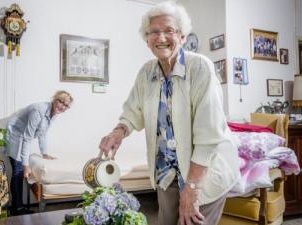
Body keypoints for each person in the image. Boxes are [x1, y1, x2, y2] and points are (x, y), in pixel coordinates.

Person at [99, 2, 240, 225]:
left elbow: (208, 135)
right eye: (154, 32)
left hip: (205, 170)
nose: (161, 37)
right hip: (167, 171)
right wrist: (118, 132)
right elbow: (133, 110)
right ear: (147, 40)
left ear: (182, 36)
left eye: (169, 30)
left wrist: (192, 189)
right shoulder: (146, 72)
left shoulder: (199, 67)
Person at [6, 90, 73, 216]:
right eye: (61, 102)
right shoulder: (38, 110)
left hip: (22, 135)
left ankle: (18, 207)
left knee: (19, 170)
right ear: (55, 99)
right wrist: (26, 166)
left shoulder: (54, 113)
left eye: (66, 105)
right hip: (15, 133)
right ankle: (17, 209)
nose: (62, 106)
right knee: (18, 170)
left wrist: (45, 153)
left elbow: (42, 133)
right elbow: (27, 137)